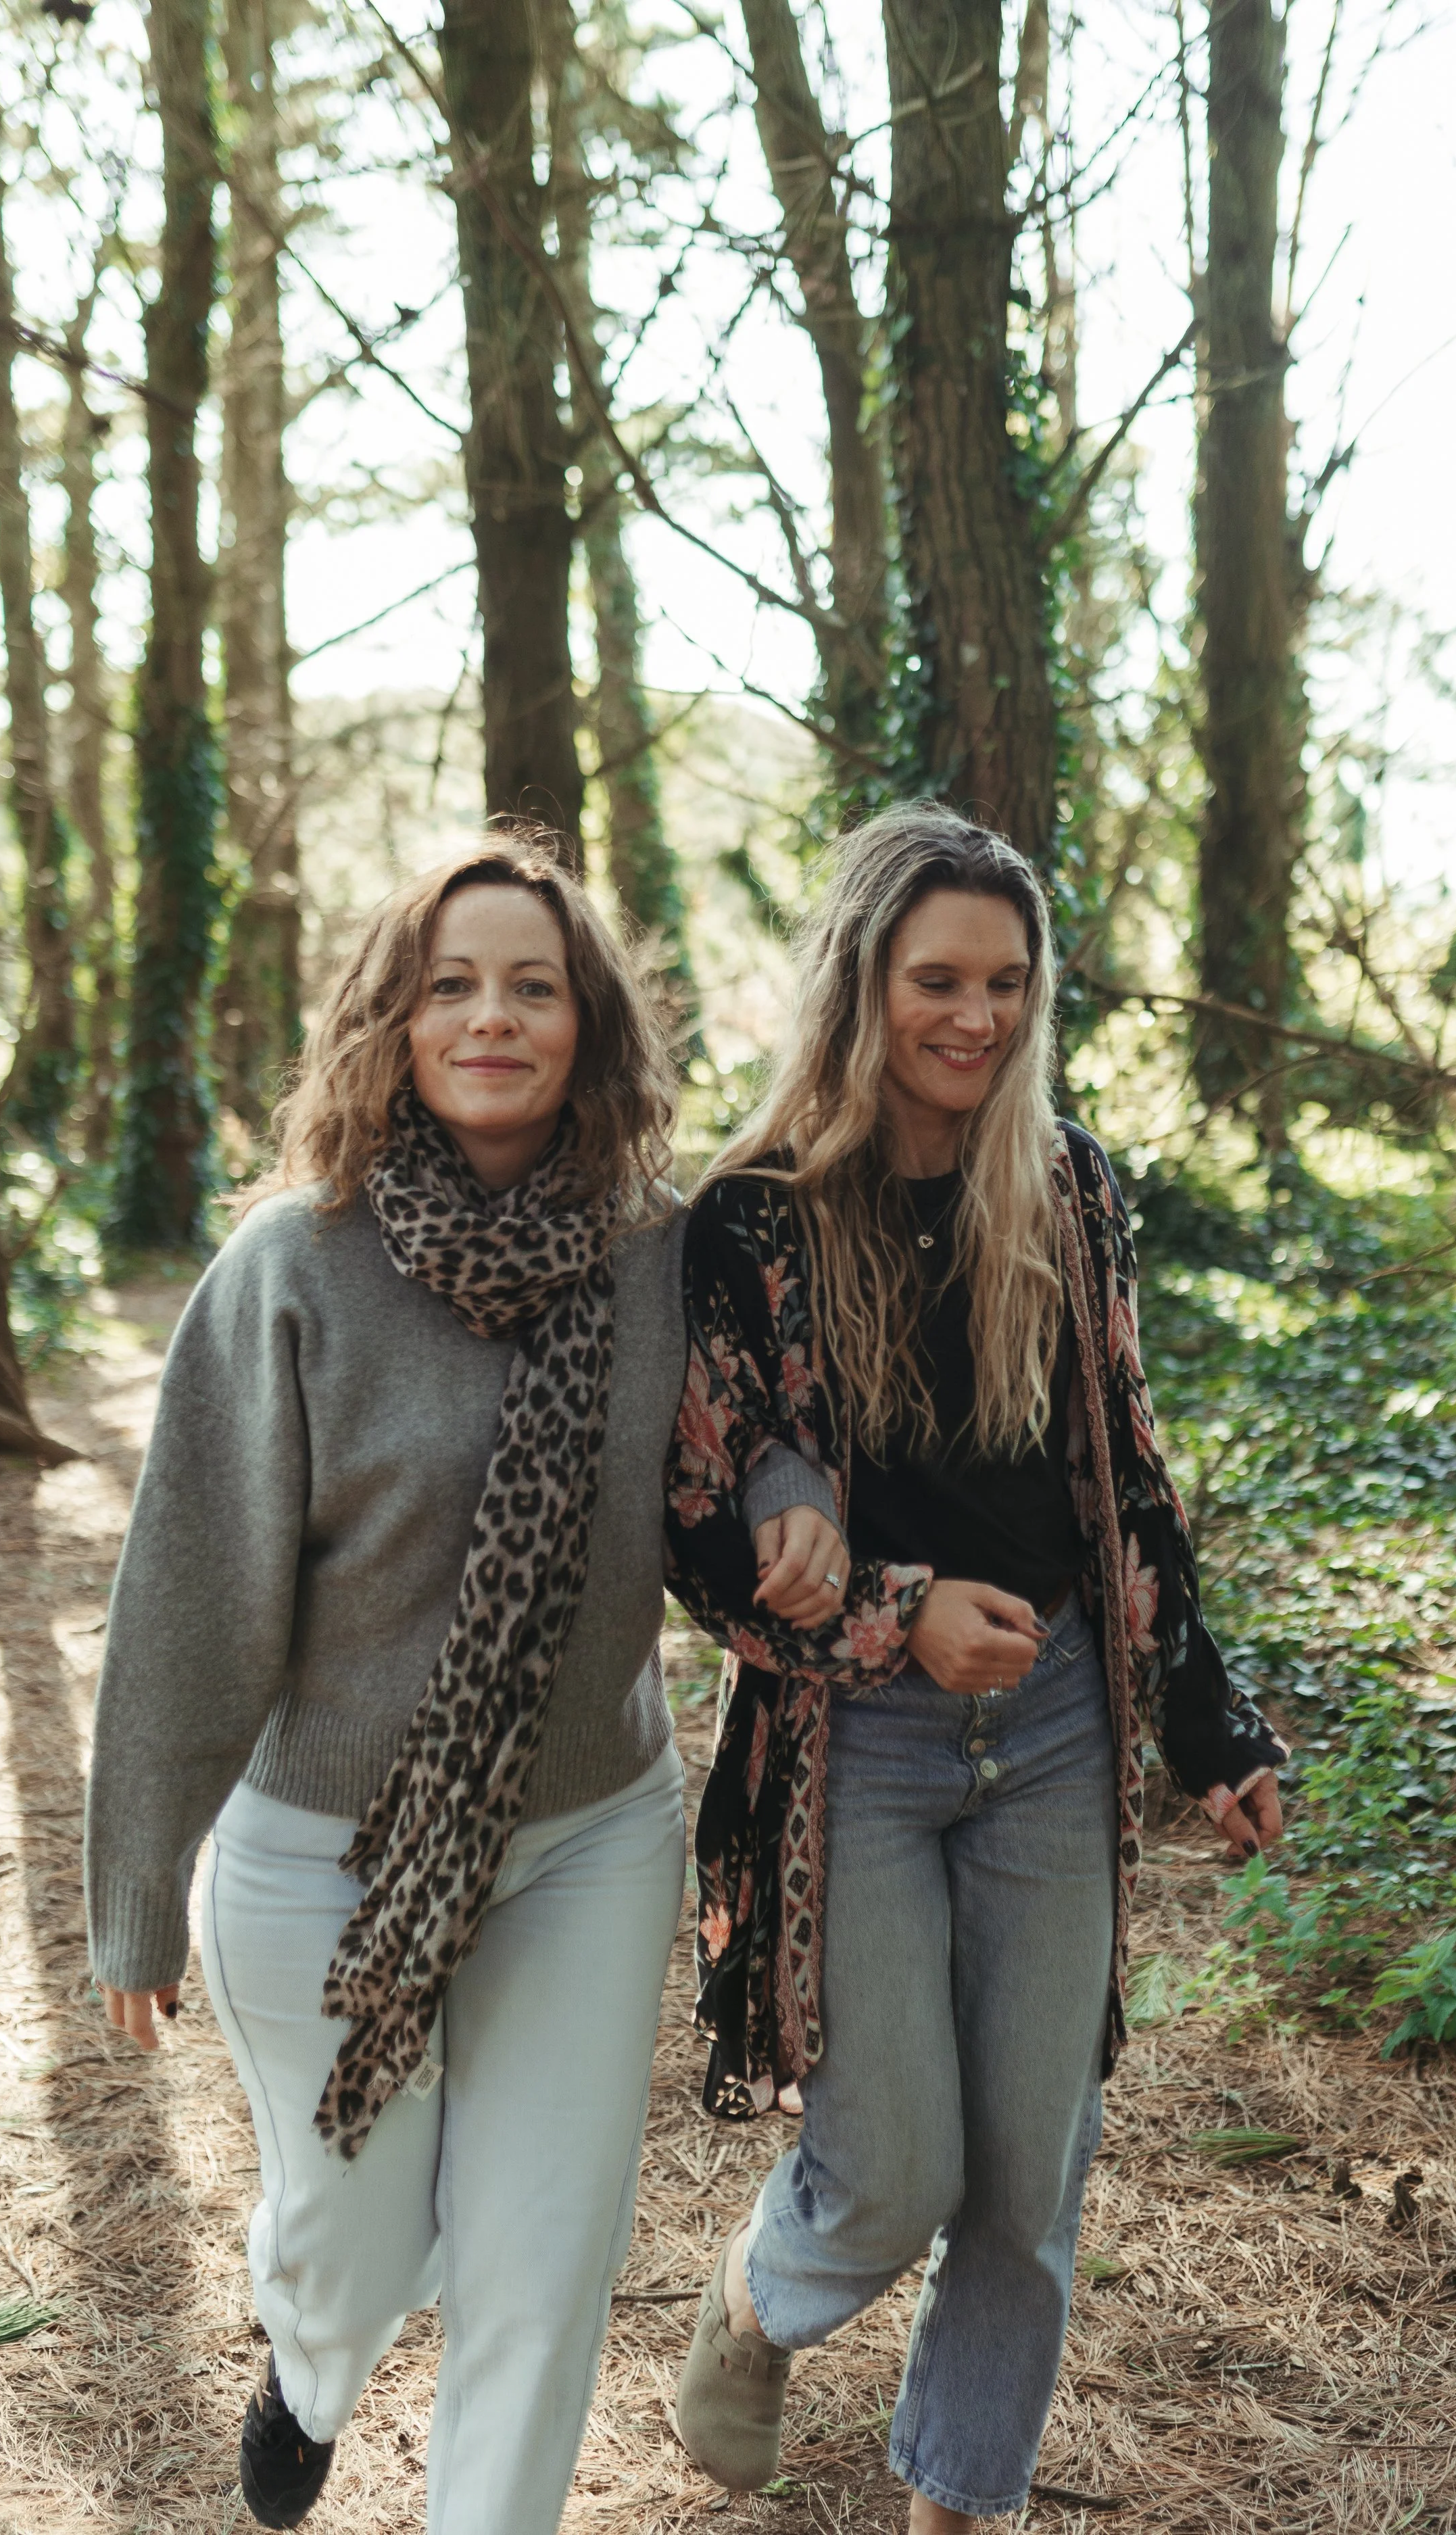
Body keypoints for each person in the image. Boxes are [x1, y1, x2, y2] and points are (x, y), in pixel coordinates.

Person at [82, 834, 844, 2535]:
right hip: (323, 1861)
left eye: (532, 984)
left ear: (588, 1023)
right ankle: (307, 2367)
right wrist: (136, 1879)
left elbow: (766, 1424)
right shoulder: (293, 1268)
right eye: (450, 985)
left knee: (538, 2265)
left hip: (585, 1839)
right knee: (350, 2250)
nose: (491, 1016)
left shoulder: (669, 1251)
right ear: (392, 1021)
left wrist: (794, 1492)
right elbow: (192, 1605)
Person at [664, 804, 1290, 2533]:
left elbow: (1126, 1480)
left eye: (1007, 981)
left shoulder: (1067, 1187)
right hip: (854, 1745)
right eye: (936, 978)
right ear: (860, 984)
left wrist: (1204, 1716)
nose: (976, 1017)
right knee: (888, 2176)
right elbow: (701, 1535)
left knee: (1024, 2184)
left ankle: (958, 2503)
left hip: (1062, 1717)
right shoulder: (748, 1224)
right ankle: (753, 2303)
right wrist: (892, 1609)